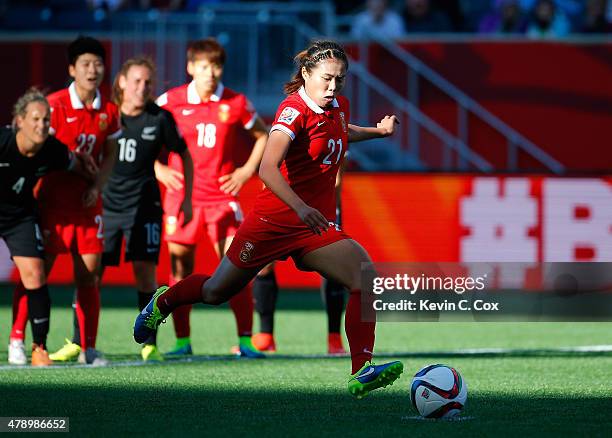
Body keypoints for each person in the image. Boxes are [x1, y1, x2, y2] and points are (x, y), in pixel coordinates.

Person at [135, 40, 404, 398]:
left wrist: (377, 132)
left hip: (312, 228)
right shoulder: (292, 111)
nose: (332, 87)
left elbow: (341, 130)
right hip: (273, 222)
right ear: (306, 74)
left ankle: (361, 371)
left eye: (339, 80)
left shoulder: (337, 106)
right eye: (326, 78)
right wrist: (300, 207)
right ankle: (162, 302)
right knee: (217, 290)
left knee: (364, 278)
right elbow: (267, 168)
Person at [10, 36, 121, 366]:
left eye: (98, 64)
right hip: (51, 204)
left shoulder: (110, 111)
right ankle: (17, 339)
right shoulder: (52, 106)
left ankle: (88, 347)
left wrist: (97, 186)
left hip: (87, 206)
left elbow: (111, 154)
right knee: (36, 274)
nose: (93, 70)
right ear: (72, 69)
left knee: (89, 275)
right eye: (85, 64)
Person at [154, 38, 269, 357]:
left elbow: (263, 135)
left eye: (216, 66)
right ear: (191, 67)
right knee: (180, 271)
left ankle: (246, 341)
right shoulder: (170, 100)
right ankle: (182, 341)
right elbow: (140, 131)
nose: (211, 73)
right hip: (182, 199)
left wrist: (246, 172)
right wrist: (158, 169)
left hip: (221, 199)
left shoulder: (235, 102)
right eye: (204, 66)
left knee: (238, 267)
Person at [80, 57, 193, 362]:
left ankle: (150, 344)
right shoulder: (108, 116)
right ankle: (81, 343)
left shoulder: (160, 118)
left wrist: (186, 199)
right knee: (91, 275)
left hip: (145, 208)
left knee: (146, 277)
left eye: (147, 82)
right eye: (136, 81)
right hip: (107, 207)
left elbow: (185, 154)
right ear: (121, 82)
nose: (142, 88)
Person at [2, 89, 93, 366]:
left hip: (20, 217)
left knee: (36, 273)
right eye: (36, 119)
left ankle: (38, 347)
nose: (42, 125)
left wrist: (95, 184)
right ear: (20, 120)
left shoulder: (52, 149)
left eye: (46, 120)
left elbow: (79, 165)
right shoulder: (3, 142)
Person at [252, 164, 347, 355]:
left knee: (335, 270)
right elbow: (269, 171)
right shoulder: (285, 136)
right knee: (264, 265)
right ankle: (265, 336)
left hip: (319, 208)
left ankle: (334, 339)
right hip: (285, 206)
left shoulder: (336, 134)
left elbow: (335, 181)